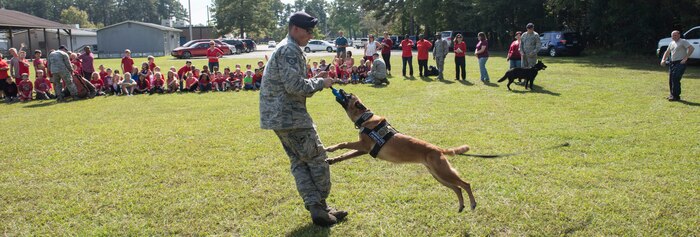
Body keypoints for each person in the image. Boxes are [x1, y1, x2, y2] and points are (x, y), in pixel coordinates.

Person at [259, 12, 345, 227]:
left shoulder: (286, 47)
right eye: (308, 31)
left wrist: (315, 79)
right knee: (318, 160)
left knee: (299, 162)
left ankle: (318, 208)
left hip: (278, 117)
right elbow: (295, 86)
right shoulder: (289, 49)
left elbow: (292, 82)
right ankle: (320, 205)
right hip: (291, 117)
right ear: (295, 28)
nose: (310, 35)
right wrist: (321, 83)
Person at [660, 30, 695, 101]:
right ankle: (672, 95)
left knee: (676, 78)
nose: (674, 37)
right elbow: (667, 52)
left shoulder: (683, 41)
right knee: (671, 79)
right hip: (673, 63)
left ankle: (676, 96)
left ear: (679, 35)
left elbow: (691, 48)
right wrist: (663, 60)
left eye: (675, 35)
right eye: (672, 35)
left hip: (681, 62)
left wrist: (686, 58)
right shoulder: (671, 43)